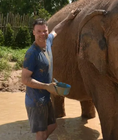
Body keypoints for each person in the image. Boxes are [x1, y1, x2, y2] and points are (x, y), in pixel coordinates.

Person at [21, 9, 80, 140]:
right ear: (33, 33)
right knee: (41, 134)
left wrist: (69, 18)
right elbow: (25, 79)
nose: (43, 34)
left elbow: (57, 30)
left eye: (45, 31)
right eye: (39, 31)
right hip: (35, 100)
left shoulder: (48, 43)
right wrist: (46, 86)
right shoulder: (31, 54)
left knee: (53, 125)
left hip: (45, 98)